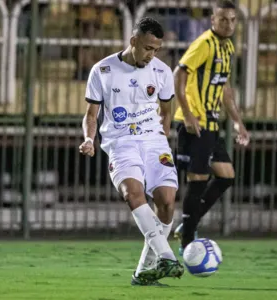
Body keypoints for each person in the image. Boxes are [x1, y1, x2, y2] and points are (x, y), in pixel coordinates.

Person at [79, 17, 184, 286]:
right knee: (132, 193)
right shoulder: (102, 70)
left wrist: (162, 140)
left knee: (167, 200)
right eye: (148, 48)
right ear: (133, 41)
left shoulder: (161, 72)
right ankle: (167, 256)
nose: (151, 55)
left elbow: (167, 112)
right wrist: (89, 139)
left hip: (154, 142)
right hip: (120, 142)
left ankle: (143, 272)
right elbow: (91, 115)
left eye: (157, 49)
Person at [173, 0, 250, 255]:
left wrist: (237, 121)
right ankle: (186, 242)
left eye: (232, 19)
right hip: (195, 124)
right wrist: (187, 114)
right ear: (212, 20)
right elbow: (179, 74)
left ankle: (188, 224)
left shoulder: (227, 47)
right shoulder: (204, 44)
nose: (228, 24)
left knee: (226, 176)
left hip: (211, 123)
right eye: (223, 19)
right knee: (197, 180)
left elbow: (225, 89)